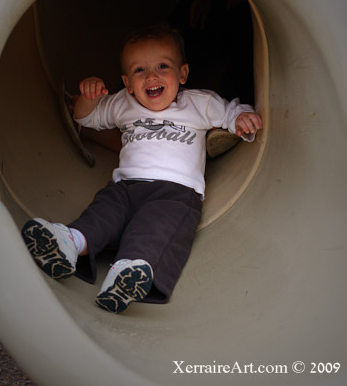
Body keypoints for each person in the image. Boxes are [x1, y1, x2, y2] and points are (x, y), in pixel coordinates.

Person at [21, 24, 263, 314]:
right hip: (125, 186)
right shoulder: (124, 103)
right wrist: (88, 95)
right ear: (127, 82)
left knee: (154, 230)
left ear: (183, 73)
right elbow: (86, 118)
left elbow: (230, 112)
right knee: (102, 213)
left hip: (175, 193)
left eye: (163, 66)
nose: (152, 76)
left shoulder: (199, 103)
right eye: (139, 71)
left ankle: (126, 274)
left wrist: (241, 119)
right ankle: (69, 243)